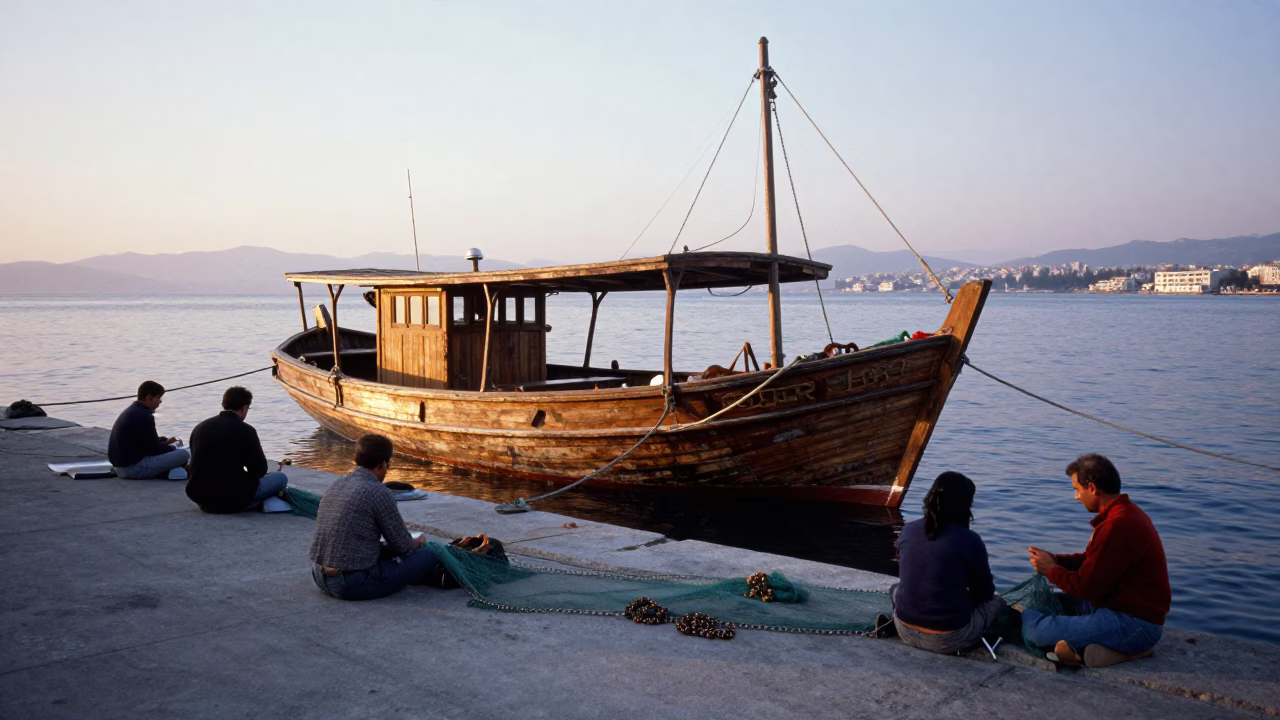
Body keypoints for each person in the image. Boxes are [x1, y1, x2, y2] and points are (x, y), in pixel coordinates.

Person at [1023, 453, 1170, 668]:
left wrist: (1051, 570)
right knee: (1042, 604)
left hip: (1135, 624)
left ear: (1092, 488)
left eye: (1077, 489)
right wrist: (1055, 560)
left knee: (1034, 628)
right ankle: (1096, 650)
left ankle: (1128, 648)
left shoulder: (1116, 525)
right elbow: (1091, 561)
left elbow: (1086, 587)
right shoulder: (1126, 513)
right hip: (1115, 609)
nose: (1076, 497)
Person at [889, 471, 1006, 655]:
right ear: (965, 505)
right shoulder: (969, 539)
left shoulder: (909, 529)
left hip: (904, 630)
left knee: (895, 588)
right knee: (998, 603)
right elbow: (985, 593)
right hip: (948, 639)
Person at [309, 434, 437, 601]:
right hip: (352, 584)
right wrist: (417, 542)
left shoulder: (336, 484)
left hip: (319, 577)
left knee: (386, 552)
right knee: (428, 556)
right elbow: (404, 547)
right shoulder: (379, 492)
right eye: (388, 464)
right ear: (381, 465)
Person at [185, 386, 287, 513]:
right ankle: (253, 503)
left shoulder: (200, 427)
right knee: (280, 477)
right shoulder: (247, 430)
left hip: (201, 497)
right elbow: (260, 470)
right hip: (233, 497)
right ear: (244, 408)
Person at [107, 380, 190, 479]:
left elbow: (143, 443)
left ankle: (168, 471)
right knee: (184, 454)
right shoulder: (144, 416)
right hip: (133, 469)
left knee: (173, 453)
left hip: (120, 467)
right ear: (148, 397)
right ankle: (170, 471)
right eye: (158, 397)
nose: (160, 401)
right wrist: (172, 447)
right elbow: (155, 450)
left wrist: (164, 442)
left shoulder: (132, 411)